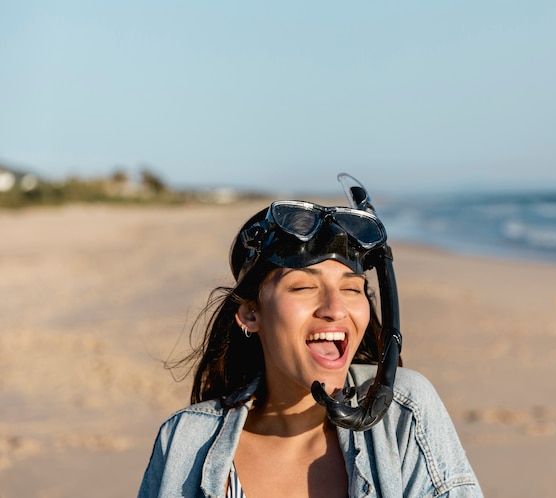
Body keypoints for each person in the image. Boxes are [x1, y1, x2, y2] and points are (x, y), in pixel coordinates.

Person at [138, 174, 483, 498]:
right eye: (303, 286)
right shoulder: (184, 440)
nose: (335, 308)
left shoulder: (403, 414)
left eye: (352, 289)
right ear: (250, 313)